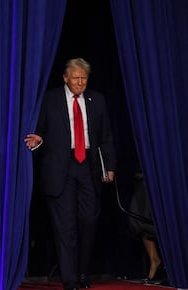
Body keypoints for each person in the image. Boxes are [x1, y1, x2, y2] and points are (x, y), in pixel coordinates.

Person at [24, 58, 116, 290]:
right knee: (65, 227)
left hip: (88, 167)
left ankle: (83, 274)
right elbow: (40, 130)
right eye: (75, 78)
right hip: (60, 169)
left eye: (83, 78)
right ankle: (70, 279)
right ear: (65, 78)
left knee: (88, 222)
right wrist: (38, 139)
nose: (80, 82)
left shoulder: (98, 100)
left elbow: (106, 136)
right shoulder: (50, 99)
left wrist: (109, 167)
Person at [128, 171, 167, 284]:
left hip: (164, 176)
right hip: (144, 178)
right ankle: (154, 259)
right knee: (138, 217)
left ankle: (171, 265)